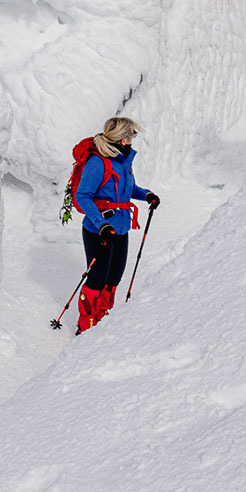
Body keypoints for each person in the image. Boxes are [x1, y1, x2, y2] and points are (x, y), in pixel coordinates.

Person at [73, 117, 160, 334]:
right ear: (122, 139)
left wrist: (146, 194)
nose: (132, 139)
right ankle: (86, 326)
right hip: (98, 230)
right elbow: (83, 196)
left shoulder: (123, 162)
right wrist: (101, 224)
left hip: (120, 228)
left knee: (114, 277)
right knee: (97, 278)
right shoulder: (97, 162)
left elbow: (127, 189)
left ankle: (101, 318)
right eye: (130, 134)